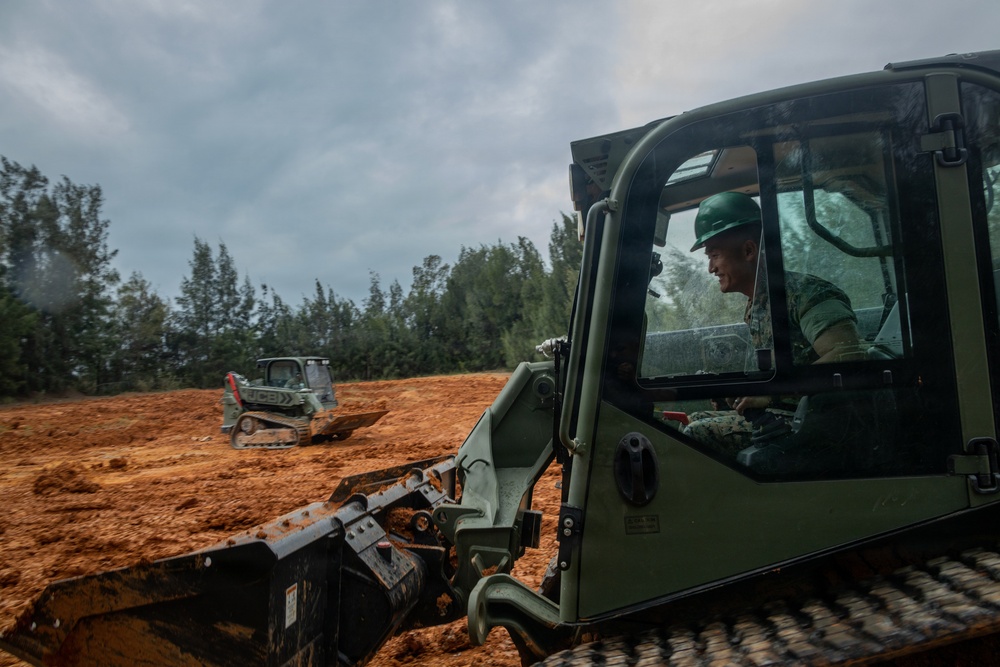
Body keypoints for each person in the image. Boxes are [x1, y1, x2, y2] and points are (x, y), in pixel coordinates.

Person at [682, 192, 861, 455]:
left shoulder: (807, 293)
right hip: (792, 409)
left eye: (715, 255)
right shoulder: (758, 304)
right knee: (697, 419)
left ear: (748, 250)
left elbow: (850, 356)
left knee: (696, 434)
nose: (711, 268)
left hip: (821, 421)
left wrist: (771, 393)